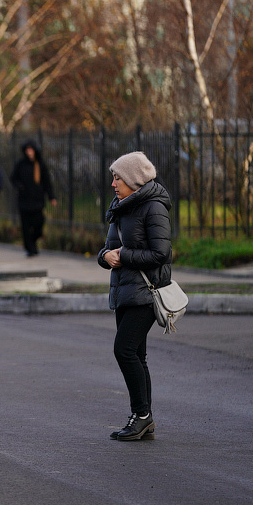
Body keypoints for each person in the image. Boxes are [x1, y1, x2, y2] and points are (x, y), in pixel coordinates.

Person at [97, 152, 172, 441]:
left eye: (118, 178)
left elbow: (160, 253)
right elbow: (106, 250)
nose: (113, 184)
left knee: (124, 350)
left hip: (146, 292)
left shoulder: (153, 207)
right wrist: (106, 257)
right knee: (137, 355)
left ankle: (141, 415)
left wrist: (123, 256)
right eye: (113, 177)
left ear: (133, 180)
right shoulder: (121, 207)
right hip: (125, 291)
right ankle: (145, 418)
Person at [11, 140, 57, 257]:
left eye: (31, 150)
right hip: (24, 201)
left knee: (39, 223)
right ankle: (30, 248)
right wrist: (20, 186)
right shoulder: (20, 164)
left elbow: (47, 182)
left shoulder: (40, 165)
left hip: (37, 201)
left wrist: (51, 197)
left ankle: (33, 241)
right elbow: (13, 178)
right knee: (26, 226)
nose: (29, 152)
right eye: (27, 150)